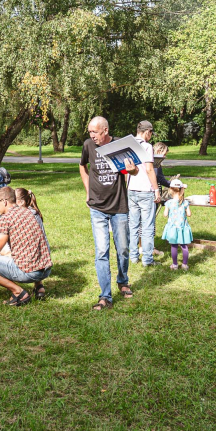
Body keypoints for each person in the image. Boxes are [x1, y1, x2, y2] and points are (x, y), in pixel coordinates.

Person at [79, 116, 135, 311]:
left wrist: (132, 170)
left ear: (105, 130)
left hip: (119, 206)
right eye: (90, 132)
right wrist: (88, 191)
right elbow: (82, 166)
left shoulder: (120, 145)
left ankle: (123, 280)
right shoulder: (88, 145)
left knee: (123, 249)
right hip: (97, 207)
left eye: (95, 132)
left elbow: (133, 171)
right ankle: (105, 296)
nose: (91, 135)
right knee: (101, 251)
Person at [0, 187, 53, 305]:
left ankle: (19, 293)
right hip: (46, 269)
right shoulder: (28, 211)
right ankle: (38, 286)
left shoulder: (6, 218)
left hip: (30, 272)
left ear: (4, 202)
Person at [125, 120, 160, 267]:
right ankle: (147, 259)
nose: (151, 136)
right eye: (151, 133)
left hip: (131, 189)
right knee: (147, 226)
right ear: (147, 132)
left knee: (133, 224)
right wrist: (156, 189)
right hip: (145, 190)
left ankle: (133, 257)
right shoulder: (147, 146)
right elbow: (149, 169)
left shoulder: (128, 145)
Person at [161, 178, 193, 271]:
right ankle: (185, 265)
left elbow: (165, 214)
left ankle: (175, 265)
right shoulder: (185, 202)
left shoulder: (169, 203)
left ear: (170, 190)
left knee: (174, 246)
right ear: (182, 190)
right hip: (183, 227)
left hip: (173, 228)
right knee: (184, 246)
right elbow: (189, 214)